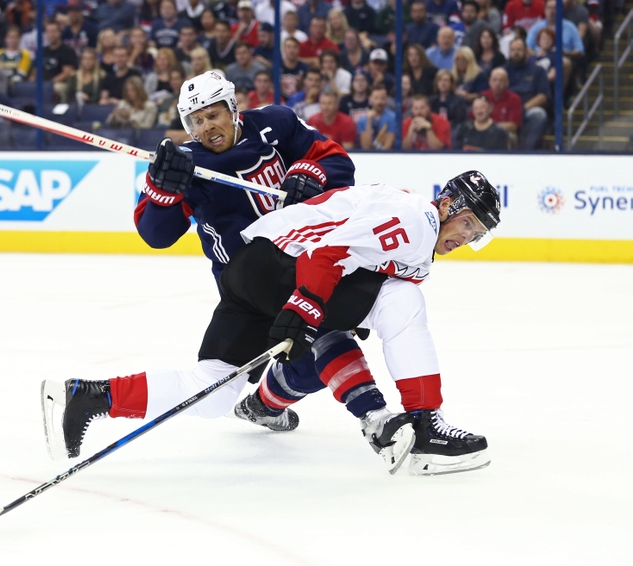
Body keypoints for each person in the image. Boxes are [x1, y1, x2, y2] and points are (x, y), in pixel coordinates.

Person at [48, 165, 500, 477]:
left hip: (249, 270)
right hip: (283, 266)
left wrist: (308, 307)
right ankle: (419, 424)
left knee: (213, 389)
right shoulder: (417, 220)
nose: (467, 238)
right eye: (470, 228)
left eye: (476, 236)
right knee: (401, 302)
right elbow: (326, 253)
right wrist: (305, 304)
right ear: (451, 208)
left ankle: (89, 396)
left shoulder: (408, 220)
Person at [41, 71, 379, 458]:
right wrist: (163, 189)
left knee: (282, 374)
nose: (206, 128)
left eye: (213, 115)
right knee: (320, 340)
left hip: (302, 266)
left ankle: (262, 406)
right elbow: (156, 234)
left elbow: (336, 161)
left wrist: (311, 174)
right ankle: (381, 420)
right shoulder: (186, 165)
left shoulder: (277, 124)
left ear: (234, 109)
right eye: (196, 122)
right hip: (249, 287)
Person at [504, 37, 549, 149]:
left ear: (526, 51)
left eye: (519, 50)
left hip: (526, 109)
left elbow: (543, 96)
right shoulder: (502, 70)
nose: (516, 53)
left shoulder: (538, 70)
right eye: (513, 50)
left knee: (539, 114)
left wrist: (521, 109)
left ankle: (526, 151)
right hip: (505, 110)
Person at [479, 67, 522, 146]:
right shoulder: (483, 96)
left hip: (503, 132)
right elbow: (475, 119)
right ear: (489, 82)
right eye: (494, 80)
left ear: (507, 82)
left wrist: (492, 128)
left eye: (501, 80)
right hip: (484, 131)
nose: (497, 83)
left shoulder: (514, 98)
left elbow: (513, 126)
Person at [38, 22, 78, 102]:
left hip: (60, 83)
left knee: (56, 88)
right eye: (49, 32)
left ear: (59, 33)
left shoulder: (67, 51)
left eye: (54, 31)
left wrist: (49, 83)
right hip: (42, 83)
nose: (51, 34)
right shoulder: (42, 51)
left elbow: (67, 73)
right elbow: (35, 71)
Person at [356, 84, 396, 150]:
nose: (379, 102)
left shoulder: (392, 118)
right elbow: (366, 147)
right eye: (376, 98)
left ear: (386, 99)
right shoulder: (362, 120)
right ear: (370, 99)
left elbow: (388, 146)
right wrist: (368, 121)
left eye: (382, 98)